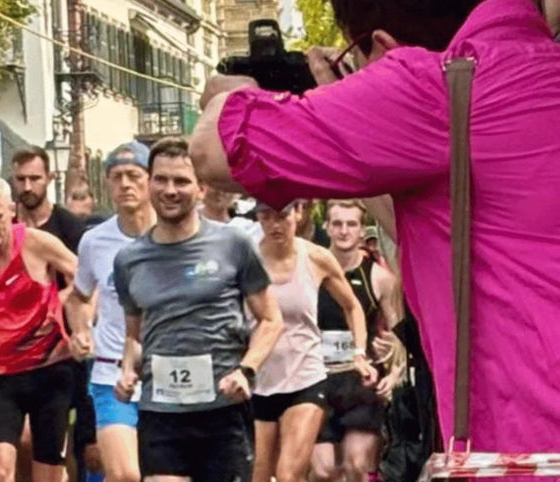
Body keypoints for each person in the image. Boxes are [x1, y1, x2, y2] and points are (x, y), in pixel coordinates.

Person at [191, 0, 560, 457]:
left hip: (529, 451)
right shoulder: (532, 72)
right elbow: (443, 231)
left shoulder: (436, 84)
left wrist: (233, 93)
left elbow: (212, 150)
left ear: (385, 48)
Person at [111, 138, 284, 482]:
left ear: (202, 188)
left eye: (181, 181)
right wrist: (128, 369)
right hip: (161, 412)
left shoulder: (233, 244)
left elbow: (270, 319)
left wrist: (246, 370)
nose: (170, 190)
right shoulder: (129, 259)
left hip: (222, 410)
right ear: (149, 183)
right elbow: (135, 336)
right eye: (161, 179)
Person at [249, 201, 376, 482]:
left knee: (289, 474)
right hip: (260, 380)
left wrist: (359, 352)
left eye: (281, 215)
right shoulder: (247, 258)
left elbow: (352, 306)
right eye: (266, 217)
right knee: (259, 475)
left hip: (305, 377)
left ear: (297, 213)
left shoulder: (316, 257)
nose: (275, 225)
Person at [0, 177, 77, 482]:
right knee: (0, 470)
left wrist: (60, 303)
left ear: (11, 211)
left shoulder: (36, 243)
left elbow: (84, 277)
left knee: (47, 473)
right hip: (3, 377)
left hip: (50, 370)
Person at [68, 142, 158, 482]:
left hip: (165, 374)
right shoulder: (95, 241)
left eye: (134, 175)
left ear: (150, 180)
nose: (125, 184)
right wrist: (80, 331)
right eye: (116, 177)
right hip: (110, 374)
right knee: (124, 475)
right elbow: (77, 297)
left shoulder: (173, 236)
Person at [8, 147, 98, 480]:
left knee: (67, 438)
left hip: (63, 345)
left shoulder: (69, 227)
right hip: (13, 345)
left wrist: (74, 321)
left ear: (50, 179)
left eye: (34, 178)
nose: (27, 186)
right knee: (21, 438)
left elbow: (88, 282)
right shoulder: (6, 225)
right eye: (21, 179)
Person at [311, 200, 405, 482]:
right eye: (337, 224)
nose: (343, 231)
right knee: (322, 470)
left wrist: (396, 373)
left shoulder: (378, 277)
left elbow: (400, 334)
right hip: (317, 380)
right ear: (326, 227)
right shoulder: (310, 269)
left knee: (357, 466)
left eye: (351, 224)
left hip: (361, 384)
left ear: (362, 232)